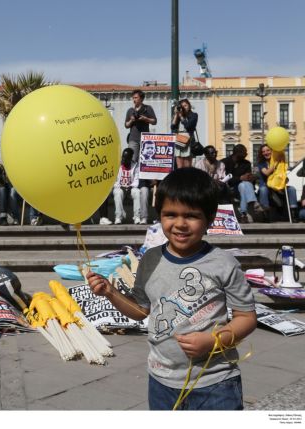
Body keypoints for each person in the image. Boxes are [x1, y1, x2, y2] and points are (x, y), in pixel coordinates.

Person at [87, 167, 256, 410]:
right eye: (170, 214)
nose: (180, 224)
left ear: (209, 218)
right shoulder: (150, 260)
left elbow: (246, 317)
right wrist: (111, 293)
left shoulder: (223, 263)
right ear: (160, 215)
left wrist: (212, 341)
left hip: (215, 382)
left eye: (191, 216)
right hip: (161, 381)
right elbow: (141, 311)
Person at [221, 144, 263, 223]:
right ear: (237, 153)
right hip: (229, 187)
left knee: (243, 185)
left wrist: (251, 177)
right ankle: (254, 203)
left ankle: (244, 215)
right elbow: (224, 179)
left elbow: (247, 178)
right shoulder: (224, 162)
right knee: (243, 185)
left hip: (242, 186)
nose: (246, 155)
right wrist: (240, 178)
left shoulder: (246, 163)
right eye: (244, 153)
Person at [256, 144, 298, 222]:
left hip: (278, 187)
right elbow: (266, 173)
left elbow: (282, 174)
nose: (266, 153)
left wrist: (285, 179)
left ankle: (294, 214)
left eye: (268, 150)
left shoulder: (280, 161)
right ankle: (266, 215)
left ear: (272, 151)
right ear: (261, 154)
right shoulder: (261, 163)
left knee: (292, 189)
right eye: (263, 151)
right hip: (267, 187)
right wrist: (275, 163)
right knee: (263, 189)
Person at [125, 89, 157, 163]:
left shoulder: (147, 108)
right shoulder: (130, 110)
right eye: (133, 98)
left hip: (145, 139)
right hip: (133, 139)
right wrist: (131, 120)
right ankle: (132, 174)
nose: (134, 100)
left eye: (136, 98)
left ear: (141, 98)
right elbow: (126, 125)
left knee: (144, 161)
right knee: (132, 160)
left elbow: (154, 121)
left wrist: (146, 119)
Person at [113, 148, 141, 224]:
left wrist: (130, 187)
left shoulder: (135, 166)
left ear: (131, 158)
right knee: (117, 193)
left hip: (131, 188)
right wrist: (121, 187)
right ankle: (118, 217)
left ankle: (137, 217)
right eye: (123, 157)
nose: (124, 159)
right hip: (120, 188)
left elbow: (136, 180)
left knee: (137, 192)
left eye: (126, 158)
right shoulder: (117, 165)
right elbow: (114, 181)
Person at [171, 99, 199, 168]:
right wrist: (176, 115)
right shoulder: (179, 115)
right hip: (178, 140)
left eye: (185, 105)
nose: (184, 107)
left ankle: (187, 178)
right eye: (182, 106)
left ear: (189, 106)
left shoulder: (194, 115)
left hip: (188, 141)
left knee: (187, 165)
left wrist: (181, 116)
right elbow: (172, 127)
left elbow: (188, 126)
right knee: (179, 165)